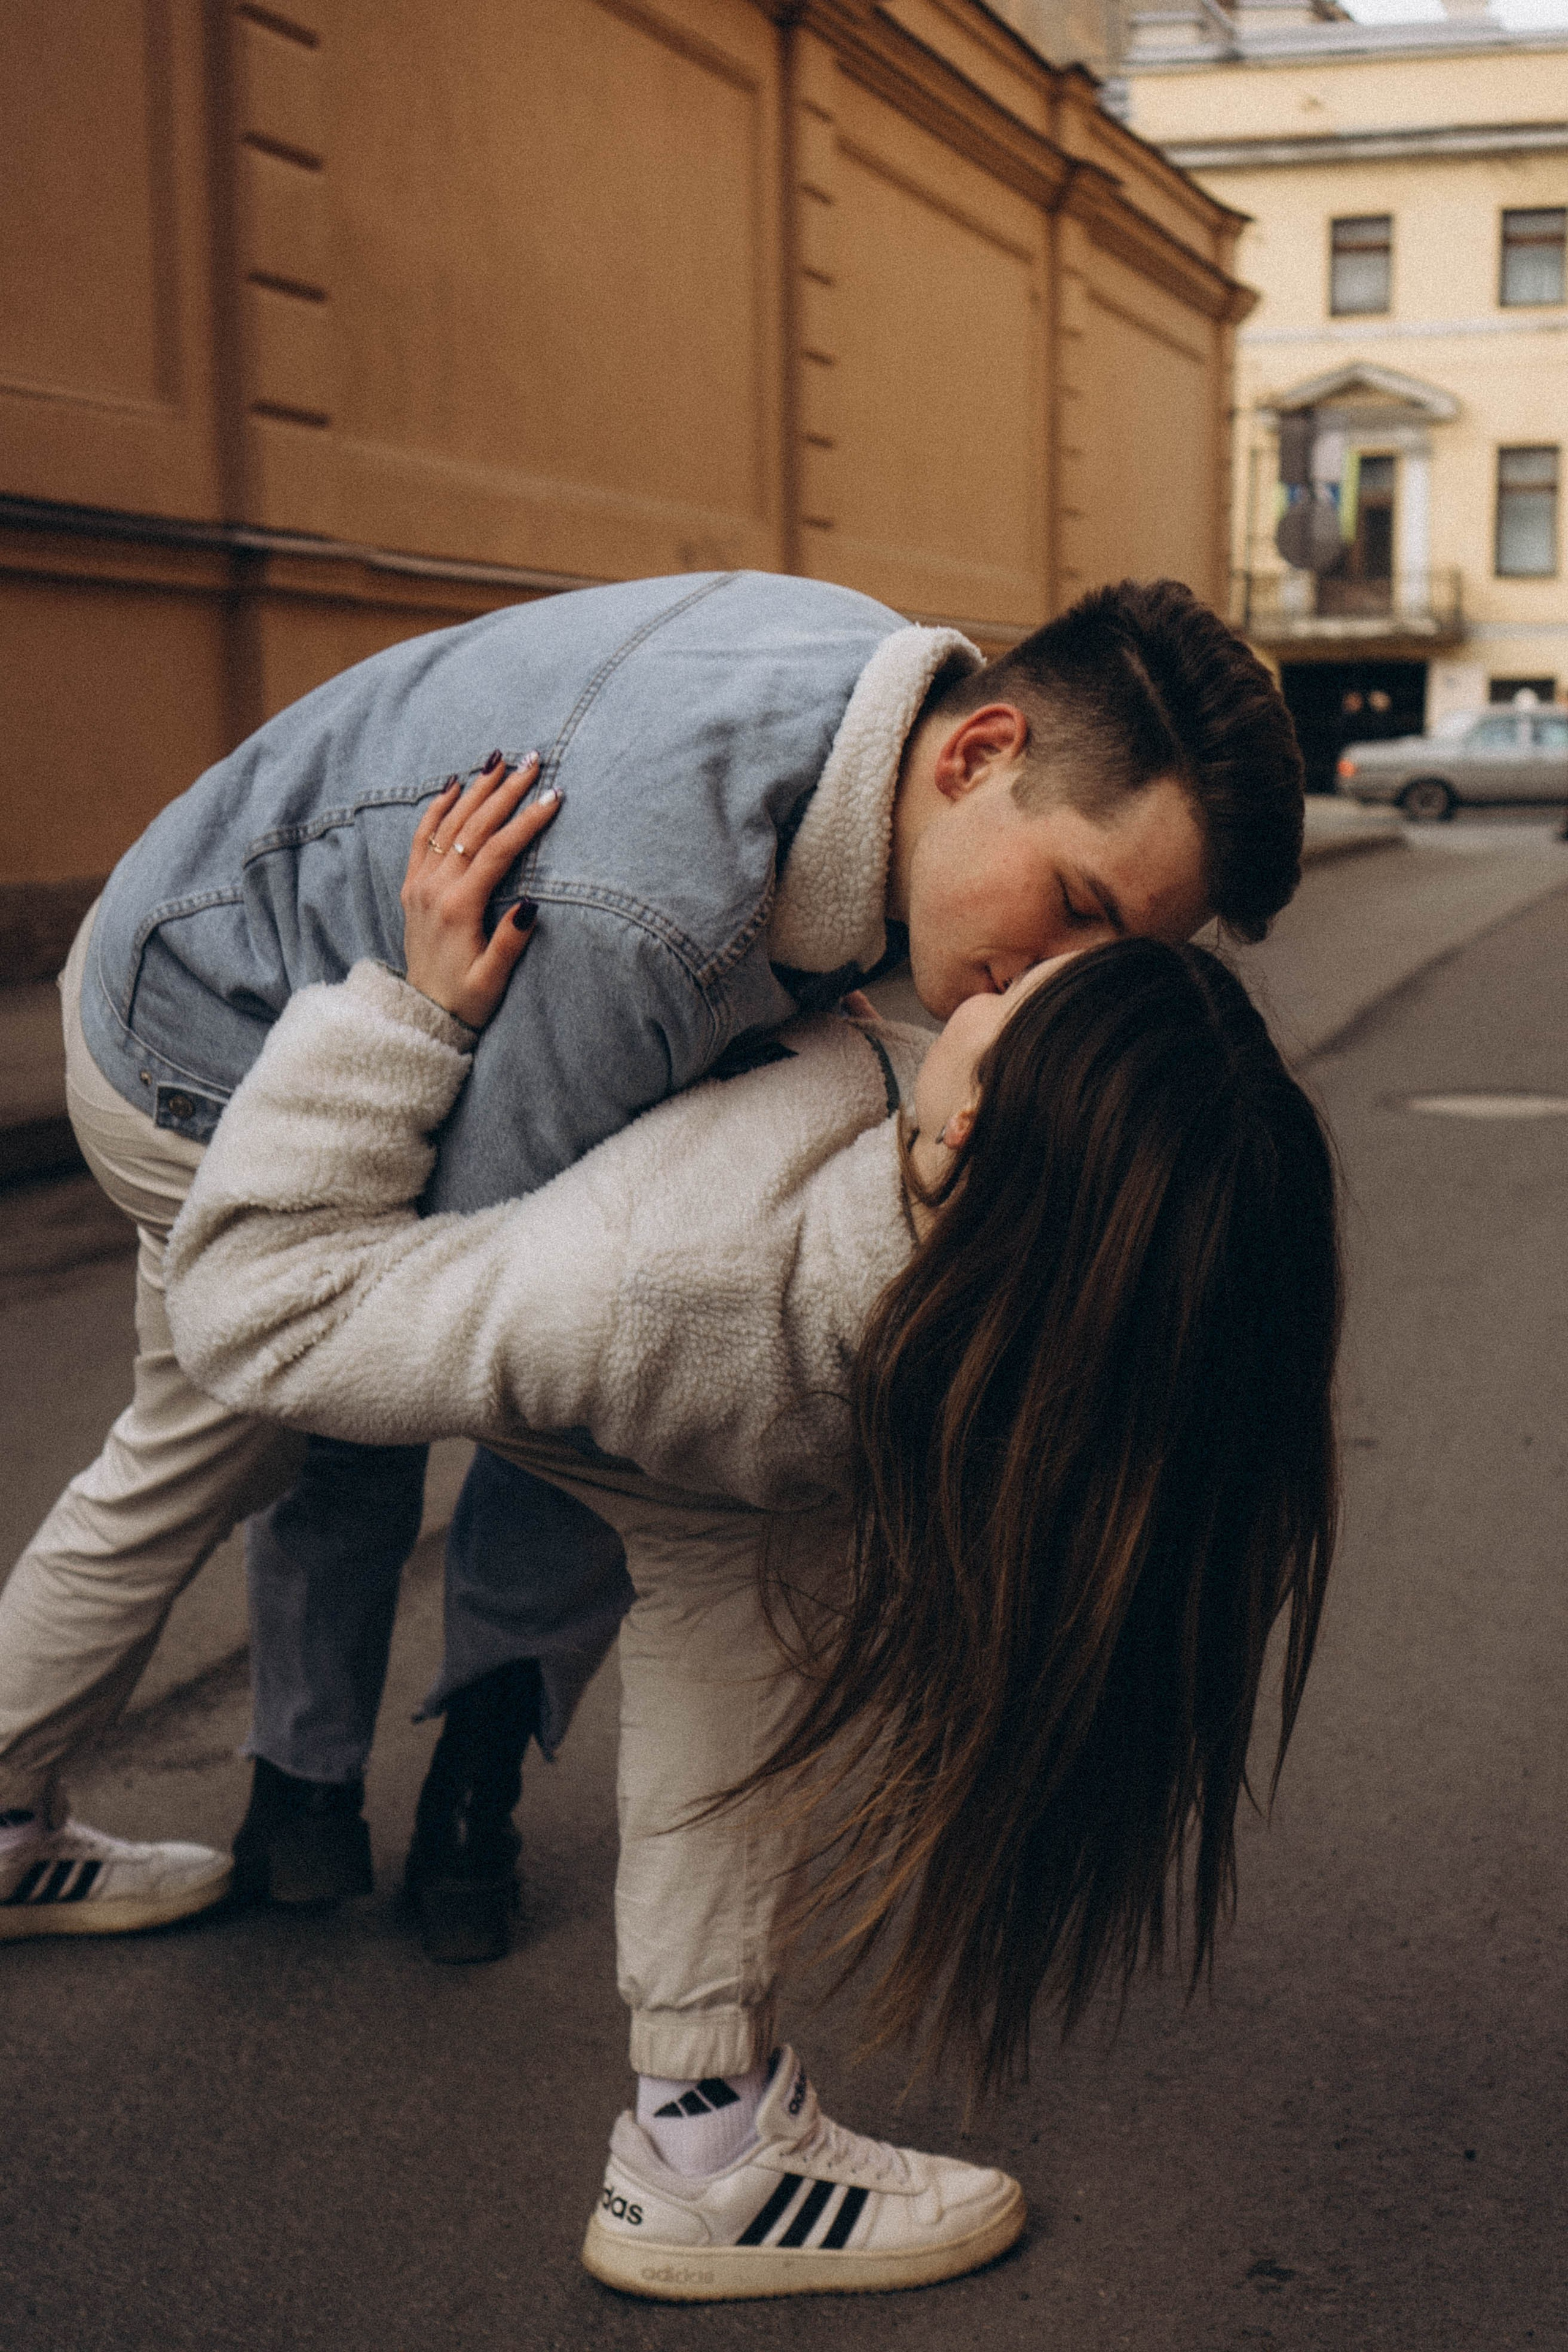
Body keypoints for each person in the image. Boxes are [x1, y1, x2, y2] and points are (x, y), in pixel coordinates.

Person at [160, 763, 1342, 2301]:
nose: (1013, 974)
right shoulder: (1034, 1228)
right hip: (784, 1365)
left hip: (459, 1254)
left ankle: (700, 2152)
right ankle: (700, 2148)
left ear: (966, 1123)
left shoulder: (657, 1275)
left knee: (727, 1588)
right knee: (738, 1603)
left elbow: (260, 1313)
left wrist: (409, 1015)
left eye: (1032, 996)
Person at [0, 573, 1303, 1955]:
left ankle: (320, 1802)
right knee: (587, 1443)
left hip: (207, 922)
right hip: (191, 1044)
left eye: (1120, 957)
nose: (1059, 990)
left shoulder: (881, 699)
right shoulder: (647, 918)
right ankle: (689, 2102)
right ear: (979, 752)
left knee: (389, 1415)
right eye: (1075, 908)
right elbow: (448, 1277)